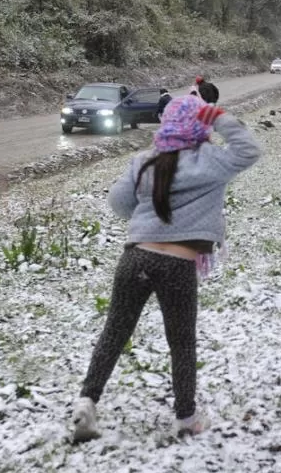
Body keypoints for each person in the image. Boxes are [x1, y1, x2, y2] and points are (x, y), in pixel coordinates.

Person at [71, 95, 261, 441]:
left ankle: (87, 401)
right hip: (178, 264)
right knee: (181, 342)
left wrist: (149, 222)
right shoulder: (212, 161)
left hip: (135, 257)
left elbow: (118, 203)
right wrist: (218, 116)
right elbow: (248, 150)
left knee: (114, 332)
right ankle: (185, 417)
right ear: (200, 125)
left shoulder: (144, 161)